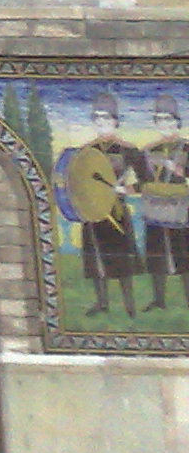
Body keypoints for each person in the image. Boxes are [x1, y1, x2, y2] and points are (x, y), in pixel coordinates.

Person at [70, 91, 152, 318]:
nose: (102, 124)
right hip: (92, 210)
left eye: (107, 119)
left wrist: (126, 190)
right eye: (98, 119)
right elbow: (77, 177)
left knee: (122, 261)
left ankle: (129, 305)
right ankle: (102, 303)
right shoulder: (87, 152)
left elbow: (147, 181)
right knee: (95, 258)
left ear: (115, 121)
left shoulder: (128, 150)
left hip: (116, 211)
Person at [146, 94, 189, 308]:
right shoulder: (149, 150)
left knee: (184, 255)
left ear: (177, 122)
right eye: (160, 120)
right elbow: (142, 177)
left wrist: (180, 170)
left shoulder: (185, 147)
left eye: (168, 119)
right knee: (156, 256)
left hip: (179, 209)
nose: (165, 124)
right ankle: (159, 300)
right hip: (154, 208)